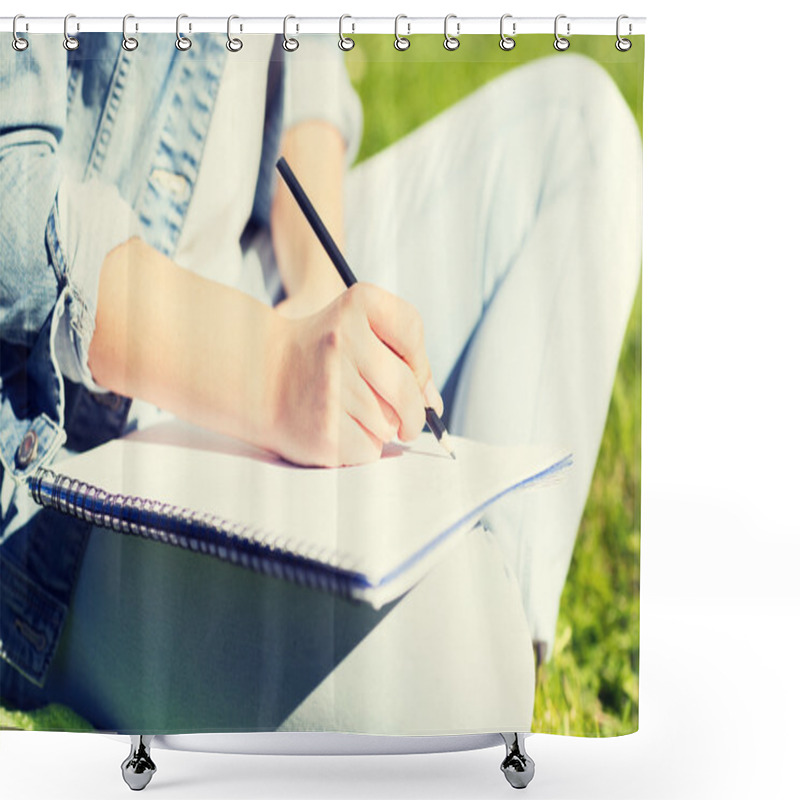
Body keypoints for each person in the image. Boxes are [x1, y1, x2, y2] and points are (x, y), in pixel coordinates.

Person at [0, 31, 641, 734]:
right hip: (63, 451)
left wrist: (308, 298)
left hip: (255, 292)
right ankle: (470, 649)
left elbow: (307, 74)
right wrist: (272, 370)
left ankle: (495, 631)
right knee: (444, 676)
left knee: (580, 129)